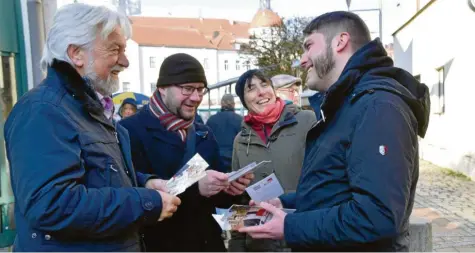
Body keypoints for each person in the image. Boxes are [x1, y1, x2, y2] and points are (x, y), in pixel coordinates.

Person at [239, 11, 430, 252]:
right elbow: (334, 190)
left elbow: (377, 215)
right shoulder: (347, 104)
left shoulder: (377, 106)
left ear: (340, 42)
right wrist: (284, 202)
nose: (302, 59)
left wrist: (290, 226)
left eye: (309, 46)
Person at [3, 3, 181, 251]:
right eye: (114, 49)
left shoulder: (89, 108)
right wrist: (145, 203)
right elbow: (51, 204)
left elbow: (99, 174)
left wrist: (145, 184)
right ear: (76, 54)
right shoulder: (43, 111)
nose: (125, 61)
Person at [119, 53, 253, 252]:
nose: (196, 97)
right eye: (188, 89)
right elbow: (132, 192)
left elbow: (216, 199)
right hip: (160, 244)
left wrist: (231, 189)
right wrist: (196, 187)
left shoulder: (203, 133)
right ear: (163, 88)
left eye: (200, 90)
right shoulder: (129, 131)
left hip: (207, 243)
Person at [228, 69, 316, 252]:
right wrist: (236, 247)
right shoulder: (240, 141)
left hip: (305, 238)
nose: (261, 92)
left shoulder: (307, 121)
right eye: (251, 88)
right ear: (244, 101)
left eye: (265, 84)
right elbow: (240, 199)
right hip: (262, 245)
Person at [206, 94, 243, 172]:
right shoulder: (240, 120)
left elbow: (205, 142)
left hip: (215, 161)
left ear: (222, 103)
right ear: (233, 104)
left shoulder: (211, 120)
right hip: (233, 161)